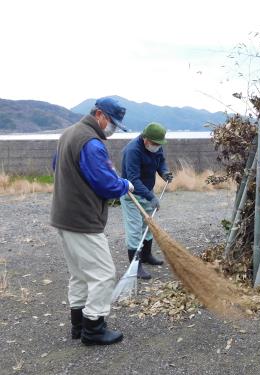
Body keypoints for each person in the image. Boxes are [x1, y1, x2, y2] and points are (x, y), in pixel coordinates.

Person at [50, 97, 133, 346]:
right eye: (113, 122)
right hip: (82, 219)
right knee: (104, 274)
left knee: (79, 273)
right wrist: (124, 184)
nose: (113, 128)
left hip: (63, 215)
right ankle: (94, 328)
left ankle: (78, 324)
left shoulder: (69, 133)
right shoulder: (91, 142)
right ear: (99, 114)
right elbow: (106, 185)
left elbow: (56, 166)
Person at [120, 122, 173, 280]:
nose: (158, 146)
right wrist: (151, 197)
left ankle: (147, 255)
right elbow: (133, 179)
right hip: (131, 195)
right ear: (146, 140)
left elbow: (161, 160)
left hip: (147, 191)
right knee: (135, 230)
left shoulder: (156, 144)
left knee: (148, 225)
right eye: (155, 144)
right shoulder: (133, 151)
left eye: (159, 144)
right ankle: (135, 266)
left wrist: (164, 172)